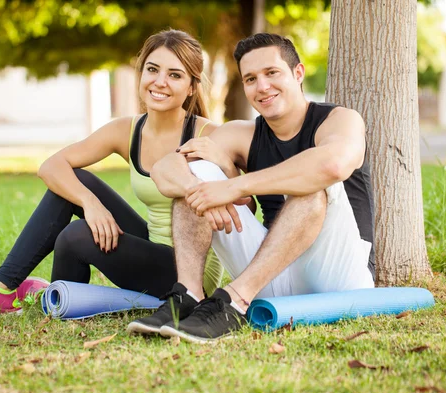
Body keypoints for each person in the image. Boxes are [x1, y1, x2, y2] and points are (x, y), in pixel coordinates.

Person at [0, 29, 224, 320]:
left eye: (174, 75)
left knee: (75, 235)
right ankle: (11, 290)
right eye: (152, 69)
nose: (159, 82)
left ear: (191, 87)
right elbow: (51, 166)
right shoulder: (128, 130)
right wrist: (90, 203)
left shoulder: (207, 134)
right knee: (76, 180)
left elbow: (244, 203)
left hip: (191, 273)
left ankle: (45, 294)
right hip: (152, 247)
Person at [127, 33, 376, 343]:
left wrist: (233, 186)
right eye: (250, 79)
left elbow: (332, 166)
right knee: (197, 174)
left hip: (339, 277)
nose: (262, 87)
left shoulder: (340, 120)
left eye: (272, 73)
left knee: (313, 187)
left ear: (297, 74)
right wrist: (199, 189)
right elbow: (165, 170)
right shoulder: (241, 133)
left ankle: (234, 302)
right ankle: (187, 296)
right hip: (271, 273)